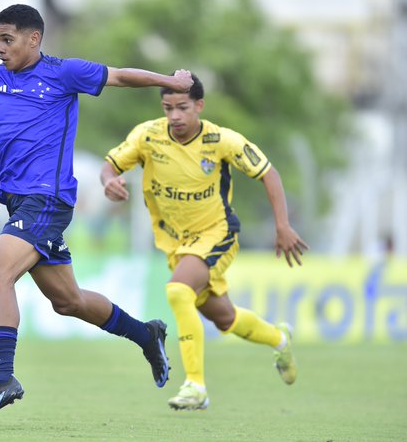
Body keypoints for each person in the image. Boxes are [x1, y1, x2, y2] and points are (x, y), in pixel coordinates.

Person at [0, 4, 193, 421]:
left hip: (48, 198)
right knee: (68, 301)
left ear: (33, 39)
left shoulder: (63, 73)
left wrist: (171, 82)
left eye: (8, 40)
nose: (0, 49)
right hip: (19, 201)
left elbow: (121, 76)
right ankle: (146, 335)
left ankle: (3, 377)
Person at [100, 73, 309, 411]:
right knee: (224, 318)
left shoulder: (221, 140)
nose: (175, 116)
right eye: (168, 108)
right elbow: (110, 165)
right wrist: (109, 182)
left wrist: (282, 225)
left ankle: (195, 386)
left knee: (178, 291)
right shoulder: (147, 136)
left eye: (182, 107)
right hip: (175, 243)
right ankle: (280, 339)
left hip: (217, 233)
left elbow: (268, 172)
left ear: (199, 105)